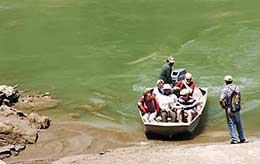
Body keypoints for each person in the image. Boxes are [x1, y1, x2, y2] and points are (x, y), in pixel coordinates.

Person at [219, 75, 246, 144]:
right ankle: (242, 138)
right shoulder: (237, 88)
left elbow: (221, 99)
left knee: (231, 124)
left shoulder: (225, 89)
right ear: (232, 81)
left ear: (225, 81)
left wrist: (223, 106)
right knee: (238, 123)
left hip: (229, 108)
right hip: (236, 108)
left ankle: (234, 139)